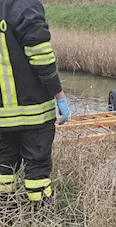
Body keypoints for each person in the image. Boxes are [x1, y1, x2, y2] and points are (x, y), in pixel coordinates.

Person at [0, 0, 70, 207]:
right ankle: (42, 218)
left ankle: (6, 215)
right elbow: (41, 56)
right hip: (34, 112)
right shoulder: (24, 6)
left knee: (4, 169)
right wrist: (59, 94)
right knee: (37, 169)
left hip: (2, 115)